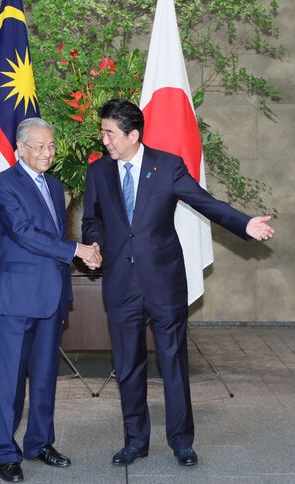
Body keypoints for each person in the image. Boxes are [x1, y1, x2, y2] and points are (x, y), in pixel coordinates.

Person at [82, 99, 274, 468]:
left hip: (164, 283)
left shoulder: (166, 166)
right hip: (121, 283)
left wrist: (244, 223)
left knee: (172, 361)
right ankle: (135, 440)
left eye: (109, 133)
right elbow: (92, 218)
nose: (103, 139)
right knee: (128, 365)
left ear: (133, 135)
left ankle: (182, 441)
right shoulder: (99, 173)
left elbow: (204, 202)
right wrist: (94, 242)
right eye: (102, 131)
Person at [0, 117, 101, 482]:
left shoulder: (54, 185)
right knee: (10, 380)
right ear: (19, 148)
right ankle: (5, 451)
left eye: (50, 146)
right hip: (17, 298)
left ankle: (39, 443)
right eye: (38, 146)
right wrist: (78, 249)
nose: (47, 153)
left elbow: (55, 236)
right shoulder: (3, 183)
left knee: (46, 377)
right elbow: (23, 233)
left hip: (51, 296)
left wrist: (80, 251)